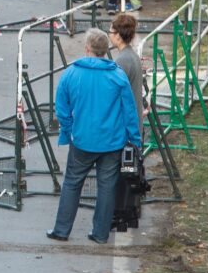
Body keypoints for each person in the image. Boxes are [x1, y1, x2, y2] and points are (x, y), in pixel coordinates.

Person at [47, 30, 141, 244]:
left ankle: (61, 230)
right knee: (106, 187)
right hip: (112, 142)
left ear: (87, 49)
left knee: (72, 183)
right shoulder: (117, 76)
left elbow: (61, 107)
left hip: (82, 141)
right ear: (105, 50)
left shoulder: (71, 74)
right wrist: (134, 140)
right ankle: (100, 233)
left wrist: (69, 129)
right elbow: (130, 112)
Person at [108, 12, 145, 119]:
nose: (109, 35)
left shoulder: (123, 60)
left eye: (111, 31)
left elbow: (114, 93)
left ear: (118, 35)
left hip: (127, 124)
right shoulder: (132, 55)